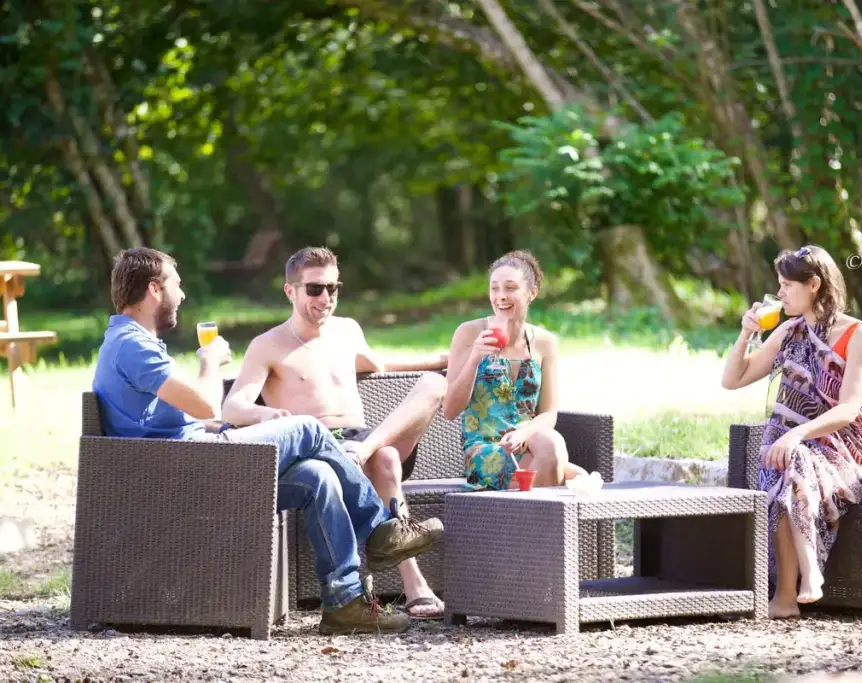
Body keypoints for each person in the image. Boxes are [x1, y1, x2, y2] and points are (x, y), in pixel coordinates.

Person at [91, 247, 443, 635]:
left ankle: (344, 603)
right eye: (177, 284)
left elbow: (173, 422)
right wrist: (210, 361)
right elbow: (209, 405)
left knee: (318, 477)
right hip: (193, 469)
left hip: (190, 460)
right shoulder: (132, 345)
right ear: (155, 289)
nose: (183, 294)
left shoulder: (130, 342)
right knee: (307, 429)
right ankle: (380, 531)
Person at [221, 246, 448, 620]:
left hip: (363, 442)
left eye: (333, 288)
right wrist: (265, 413)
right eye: (314, 289)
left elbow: (380, 363)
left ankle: (366, 459)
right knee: (387, 459)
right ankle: (414, 584)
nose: (326, 298)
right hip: (318, 450)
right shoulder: (267, 345)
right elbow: (233, 406)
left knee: (431, 386)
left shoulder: (347, 330)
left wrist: (441, 360)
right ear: (290, 291)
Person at [720, 245, 862, 619]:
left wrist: (796, 435)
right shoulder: (789, 331)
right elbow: (732, 380)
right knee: (781, 461)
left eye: (786, 286)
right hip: (797, 454)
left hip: (848, 457)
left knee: (785, 455)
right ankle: (801, 582)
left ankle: (791, 590)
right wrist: (746, 335)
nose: (779, 295)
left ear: (814, 285)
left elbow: (849, 408)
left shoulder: (858, 334)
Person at [442, 250, 587, 490]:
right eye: (494, 288)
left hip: (529, 442)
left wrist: (524, 434)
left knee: (558, 453)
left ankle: (530, 523)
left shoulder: (545, 342)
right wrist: (476, 357)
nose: (500, 296)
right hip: (485, 450)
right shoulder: (468, 333)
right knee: (572, 475)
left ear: (532, 293)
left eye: (510, 288)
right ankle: (547, 525)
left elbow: (548, 414)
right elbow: (449, 409)